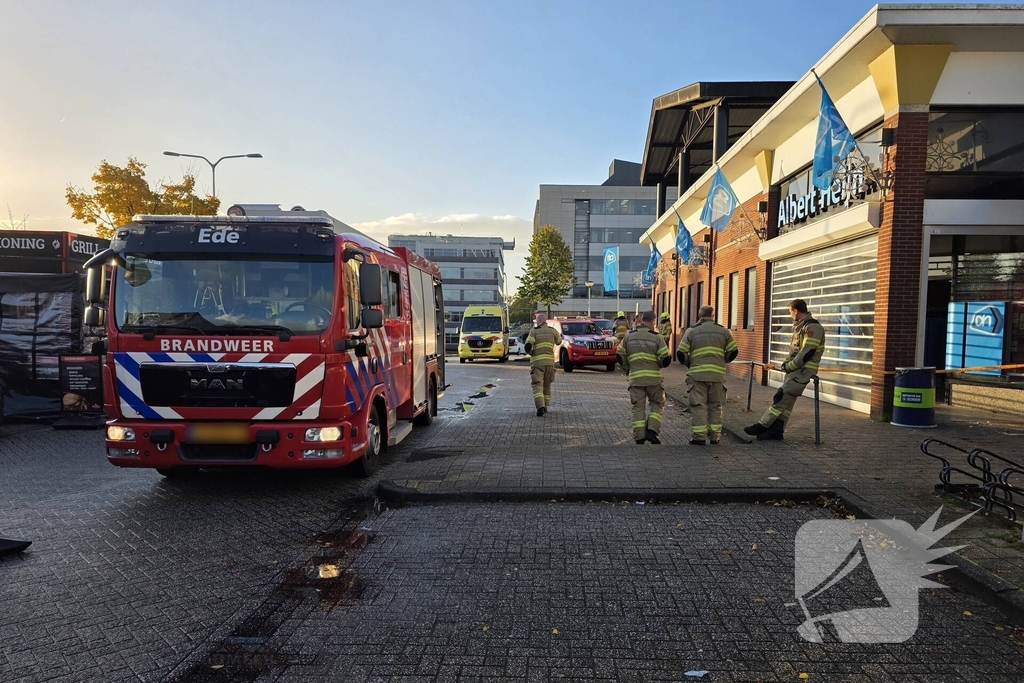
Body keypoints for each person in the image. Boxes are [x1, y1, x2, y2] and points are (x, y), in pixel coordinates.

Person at [744, 299, 825, 441]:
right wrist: (786, 364)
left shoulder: (812, 327)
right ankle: (776, 431)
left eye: (790, 312)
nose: (790, 315)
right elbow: (795, 350)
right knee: (787, 403)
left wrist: (790, 366)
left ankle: (762, 425)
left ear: (796, 311)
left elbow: (807, 352)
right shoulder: (802, 327)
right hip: (796, 371)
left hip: (803, 371)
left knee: (780, 397)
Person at [677, 305, 738, 445]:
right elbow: (733, 351)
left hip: (697, 375)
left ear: (699, 315)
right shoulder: (723, 331)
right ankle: (714, 437)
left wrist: (689, 363)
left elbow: (681, 353)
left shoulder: (692, 331)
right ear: (713, 315)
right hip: (717, 375)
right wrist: (724, 360)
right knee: (715, 406)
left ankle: (699, 437)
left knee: (699, 406)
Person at [617, 310, 671, 444]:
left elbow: (619, 354)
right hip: (654, 379)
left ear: (641, 320)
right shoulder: (657, 337)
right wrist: (659, 364)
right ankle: (652, 432)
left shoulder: (629, 336)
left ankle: (639, 437)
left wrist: (627, 367)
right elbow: (666, 358)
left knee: (638, 407)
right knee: (657, 404)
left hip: (636, 379)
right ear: (652, 321)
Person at [525, 312, 562, 417]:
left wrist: (531, 353)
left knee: (537, 385)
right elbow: (559, 342)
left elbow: (527, 346)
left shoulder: (534, 331)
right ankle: (546, 407)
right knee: (547, 386)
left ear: (538, 321)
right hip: (550, 363)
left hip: (537, 364)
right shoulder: (552, 331)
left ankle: (540, 407)